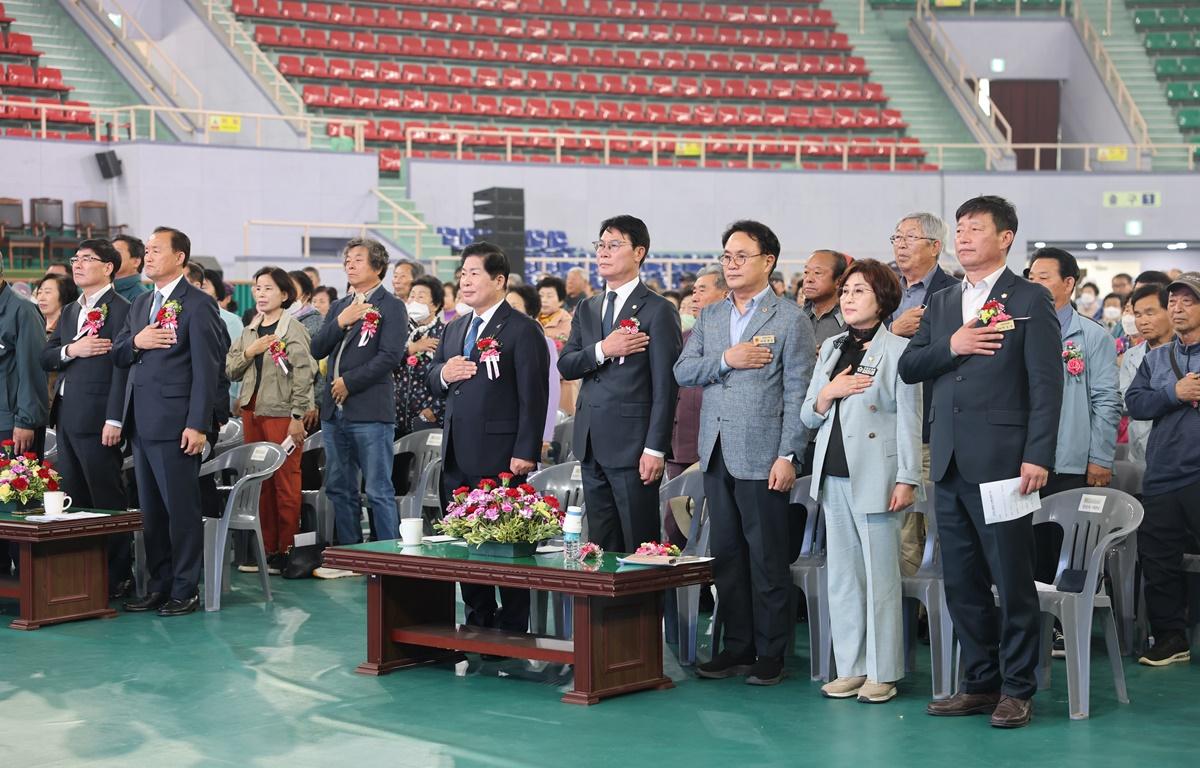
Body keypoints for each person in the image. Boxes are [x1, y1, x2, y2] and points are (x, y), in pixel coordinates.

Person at [898, 196, 1061, 728]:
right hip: (947, 460)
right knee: (961, 580)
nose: (964, 237)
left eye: (975, 229)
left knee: (1012, 578)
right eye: (960, 229)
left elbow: (1045, 384)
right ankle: (979, 682)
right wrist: (955, 343)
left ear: (1006, 237)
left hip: (1004, 463)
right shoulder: (944, 302)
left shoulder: (1030, 298)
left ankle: (1018, 687)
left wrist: (1037, 453)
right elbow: (911, 365)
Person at [675, 220, 815, 687]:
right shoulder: (711, 316)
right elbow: (683, 370)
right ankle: (737, 646)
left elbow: (798, 392)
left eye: (742, 256)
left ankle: (772, 653)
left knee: (767, 559)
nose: (731, 265)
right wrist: (724, 362)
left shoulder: (789, 318)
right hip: (715, 452)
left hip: (764, 456)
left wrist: (789, 455)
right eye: (726, 257)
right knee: (728, 557)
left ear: (768, 262)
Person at [801, 259, 921, 704]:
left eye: (859, 292)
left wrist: (907, 477)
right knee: (844, 578)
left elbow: (910, 420)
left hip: (878, 475)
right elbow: (806, 413)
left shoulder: (899, 351)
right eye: (846, 291)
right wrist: (826, 394)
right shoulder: (832, 347)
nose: (849, 299)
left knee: (881, 578)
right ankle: (850, 665)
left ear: (883, 300)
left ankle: (883, 671)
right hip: (832, 474)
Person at [428, 242, 549, 633]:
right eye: (462, 273)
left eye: (474, 273)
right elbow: (432, 376)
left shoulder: (521, 329)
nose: (465, 280)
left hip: (501, 455)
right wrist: (446, 373)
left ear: (499, 280)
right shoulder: (455, 328)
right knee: (465, 543)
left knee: (509, 546)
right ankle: (478, 619)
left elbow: (535, 394)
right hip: (455, 453)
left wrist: (525, 450)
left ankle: (514, 626)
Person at [113, 226, 225, 617]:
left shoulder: (197, 303)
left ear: (179, 257)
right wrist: (137, 342)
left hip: (178, 423)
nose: (148, 256)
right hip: (142, 423)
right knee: (152, 512)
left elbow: (207, 370)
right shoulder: (142, 305)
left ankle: (184, 587)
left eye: (156, 250)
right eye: (146, 250)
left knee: (180, 510)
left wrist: (198, 424)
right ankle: (158, 584)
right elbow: (120, 353)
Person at [559, 215, 682, 553]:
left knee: (640, 544)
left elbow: (665, 387)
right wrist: (603, 349)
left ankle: (648, 609)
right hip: (590, 441)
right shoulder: (588, 307)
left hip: (633, 446)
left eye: (614, 245)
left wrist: (655, 448)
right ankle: (604, 610)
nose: (604, 252)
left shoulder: (658, 310)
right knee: (600, 544)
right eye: (600, 245)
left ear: (639, 252)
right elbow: (567, 365)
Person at [41, 240, 132, 596]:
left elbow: (123, 370)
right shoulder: (70, 311)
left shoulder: (123, 309)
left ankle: (117, 576)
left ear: (108, 267)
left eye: (87, 259)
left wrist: (115, 419)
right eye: (75, 259)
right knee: (74, 498)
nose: (77, 265)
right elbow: (46, 357)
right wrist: (71, 349)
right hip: (66, 415)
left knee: (106, 500)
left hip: (99, 418)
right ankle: (82, 575)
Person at [1025, 248, 1120, 590]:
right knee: (1023, 548)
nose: (1034, 284)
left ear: (1069, 283)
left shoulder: (1093, 337)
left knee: (1062, 547)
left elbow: (1107, 400)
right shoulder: (1014, 329)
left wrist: (1099, 458)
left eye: (1043, 278)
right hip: (1019, 458)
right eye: (1030, 278)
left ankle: (1063, 626)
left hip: (1069, 461)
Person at [1125, 272, 1200, 667]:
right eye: (1174, 301)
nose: (1179, 307)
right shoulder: (1155, 358)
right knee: (1158, 560)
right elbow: (1135, 403)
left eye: (1188, 301)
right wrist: (1175, 393)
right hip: (1163, 475)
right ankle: (1172, 637)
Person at [311, 238, 406, 546]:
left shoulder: (392, 306)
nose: (349, 265)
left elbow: (390, 356)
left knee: (378, 489)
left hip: (370, 412)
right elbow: (317, 348)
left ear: (377, 267)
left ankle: (389, 559)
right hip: (334, 413)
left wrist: (349, 382)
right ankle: (353, 554)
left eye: (358, 260)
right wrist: (340, 321)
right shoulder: (340, 305)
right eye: (347, 260)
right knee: (340, 487)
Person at [227, 267, 315, 573]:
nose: (261, 294)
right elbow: (231, 370)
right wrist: (250, 351)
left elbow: (305, 374)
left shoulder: (293, 330)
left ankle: (287, 549)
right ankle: (266, 550)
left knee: (285, 483)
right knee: (259, 483)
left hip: (282, 415)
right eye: (257, 288)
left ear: (284, 294)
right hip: (252, 412)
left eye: (268, 288)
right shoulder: (250, 330)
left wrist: (297, 416)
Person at [887, 212, 959, 574]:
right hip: (886, 425)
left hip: (929, 429)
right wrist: (892, 330)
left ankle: (934, 622)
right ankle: (902, 617)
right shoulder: (884, 288)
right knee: (898, 532)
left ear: (935, 247)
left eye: (909, 238)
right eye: (897, 237)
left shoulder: (953, 292)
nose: (900, 244)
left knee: (934, 530)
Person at [668, 264, 728, 480]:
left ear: (725, 294)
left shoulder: (736, 338)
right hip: (680, 446)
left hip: (719, 447)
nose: (694, 297)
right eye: (693, 291)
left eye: (702, 290)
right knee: (675, 510)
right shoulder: (683, 338)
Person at [1120, 284, 1174, 466]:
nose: (1143, 321)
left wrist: (1147, 399)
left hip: (1178, 451)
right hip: (1139, 450)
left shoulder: (1186, 352)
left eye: (1150, 313)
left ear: (1170, 311)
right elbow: (1128, 401)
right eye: (1137, 314)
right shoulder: (1131, 355)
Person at [506, 284, 560, 458]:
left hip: (528, 428)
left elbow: (550, 391)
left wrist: (544, 435)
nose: (507, 311)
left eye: (514, 307)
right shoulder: (497, 342)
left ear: (529, 312)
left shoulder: (545, 343)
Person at [393, 274, 447, 435]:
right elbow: (385, 362)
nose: (414, 301)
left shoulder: (444, 333)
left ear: (435, 305)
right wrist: (411, 349)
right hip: (394, 417)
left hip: (427, 418)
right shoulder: (399, 331)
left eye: (421, 297)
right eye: (412, 296)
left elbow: (451, 379)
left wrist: (436, 409)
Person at [35, 274, 80, 403]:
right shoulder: (34, 325)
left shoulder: (72, 330)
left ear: (64, 295)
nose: (41, 297)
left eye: (47, 292)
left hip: (56, 401)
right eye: (39, 292)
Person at [536, 275, 576, 416]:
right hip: (537, 381)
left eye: (550, 296)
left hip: (561, 383)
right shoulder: (531, 320)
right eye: (541, 296)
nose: (544, 300)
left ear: (560, 300)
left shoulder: (569, 323)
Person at [801, 249, 850, 351]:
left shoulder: (850, 319)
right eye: (806, 272)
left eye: (817, 273)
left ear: (838, 281)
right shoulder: (795, 316)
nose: (808, 279)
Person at [111, 235, 151, 303]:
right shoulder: (106, 289)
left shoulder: (142, 297)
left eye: (117, 252)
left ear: (136, 262)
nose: (111, 257)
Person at [288, 269, 325, 338]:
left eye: (293, 289)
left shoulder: (315, 321)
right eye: (286, 289)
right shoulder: (283, 315)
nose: (288, 294)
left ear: (307, 294)